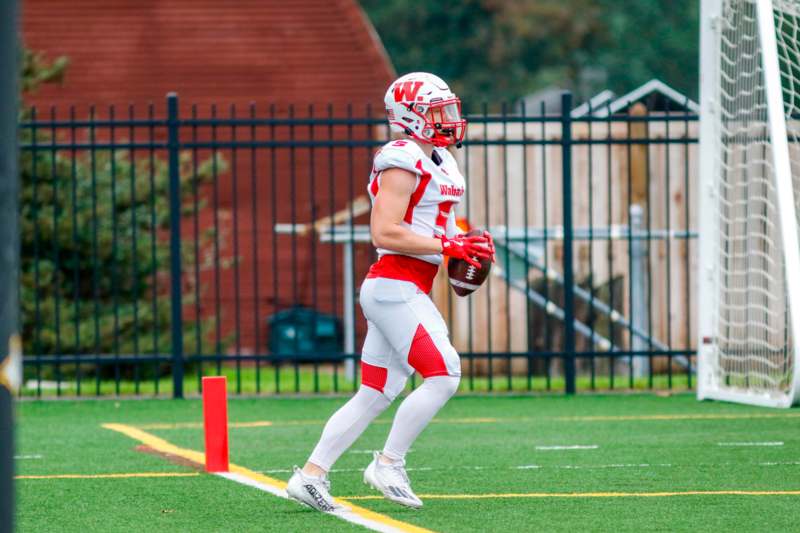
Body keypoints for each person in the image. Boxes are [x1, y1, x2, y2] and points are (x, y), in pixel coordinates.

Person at [286, 72, 494, 512]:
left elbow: (430, 220)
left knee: (377, 391)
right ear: (410, 116)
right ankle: (388, 463)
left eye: (448, 109)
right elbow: (384, 230)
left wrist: (462, 238)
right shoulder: (402, 158)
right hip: (395, 284)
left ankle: (311, 476)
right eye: (437, 111)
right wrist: (448, 245)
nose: (449, 119)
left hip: (403, 285)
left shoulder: (438, 159)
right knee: (444, 373)